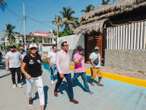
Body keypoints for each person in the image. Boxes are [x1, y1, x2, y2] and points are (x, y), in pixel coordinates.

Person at [21, 44, 45, 110]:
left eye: (35, 48)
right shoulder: (27, 57)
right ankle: (30, 98)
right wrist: (26, 74)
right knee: (29, 91)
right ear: (29, 49)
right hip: (30, 77)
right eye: (32, 48)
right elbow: (22, 68)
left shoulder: (38, 56)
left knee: (41, 91)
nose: (33, 49)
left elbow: (40, 63)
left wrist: (41, 69)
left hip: (38, 77)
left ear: (37, 49)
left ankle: (42, 107)